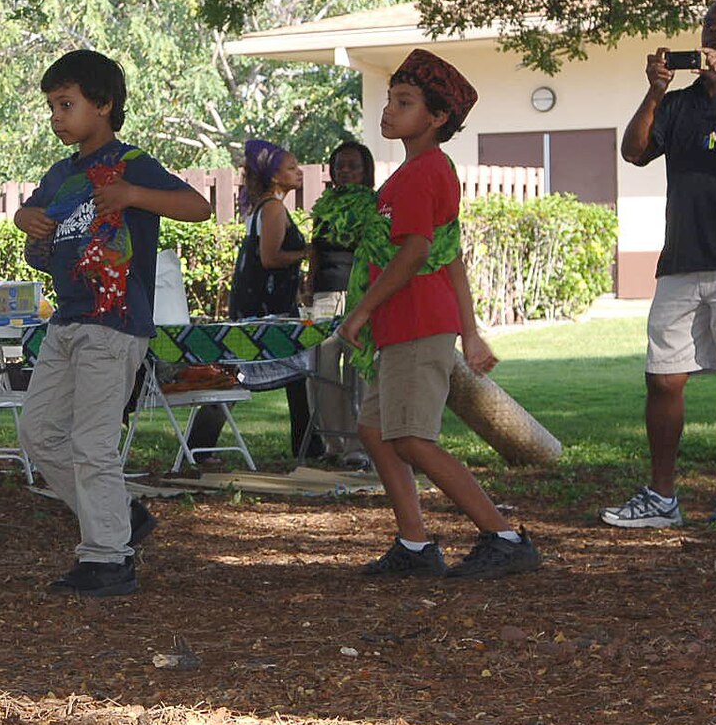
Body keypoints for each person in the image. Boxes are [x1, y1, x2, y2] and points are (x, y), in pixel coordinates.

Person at [337, 49, 541, 580]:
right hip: (406, 327)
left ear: (437, 117)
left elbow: (418, 253)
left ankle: (503, 536)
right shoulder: (410, 174)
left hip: (416, 325)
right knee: (376, 432)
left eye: (404, 102)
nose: (388, 110)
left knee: (410, 438)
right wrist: (470, 334)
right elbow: (452, 256)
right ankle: (415, 544)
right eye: (389, 100)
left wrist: (359, 312)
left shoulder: (424, 173)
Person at [15, 50, 212, 597]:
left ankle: (108, 557)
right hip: (68, 321)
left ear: (103, 105)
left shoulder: (132, 164)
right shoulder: (59, 175)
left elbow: (199, 206)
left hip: (116, 321)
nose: (56, 116)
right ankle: (121, 514)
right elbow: (41, 240)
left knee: (92, 440)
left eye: (67, 104)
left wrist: (133, 196)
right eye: (52, 106)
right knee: (39, 432)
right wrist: (26, 222)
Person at [601, 0, 716, 532]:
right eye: (710, 25)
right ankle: (662, 495)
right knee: (663, 379)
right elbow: (634, 152)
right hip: (680, 259)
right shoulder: (678, 106)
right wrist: (654, 91)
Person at [187, 139, 317, 463]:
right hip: (266, 308)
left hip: (257, 303)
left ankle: (199, 444)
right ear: (275, 177)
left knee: (236, 372)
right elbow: (270, 258)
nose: (298, 172)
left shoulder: (263, 206)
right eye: (291, 167)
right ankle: (308, 448)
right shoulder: (273, 208)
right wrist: (308, 252)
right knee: (293, 375)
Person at [306, 141, 375, 459]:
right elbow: (315, 251)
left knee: (357, 372)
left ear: (365, 172)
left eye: (352, 166)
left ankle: (358, 446)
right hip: (323, 296)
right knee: (322, 371)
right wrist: (307, 285)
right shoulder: (324, 206)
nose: (345, 172)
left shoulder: (374, 205)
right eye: (339, 166)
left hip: (358, 297)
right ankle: (333, 443)